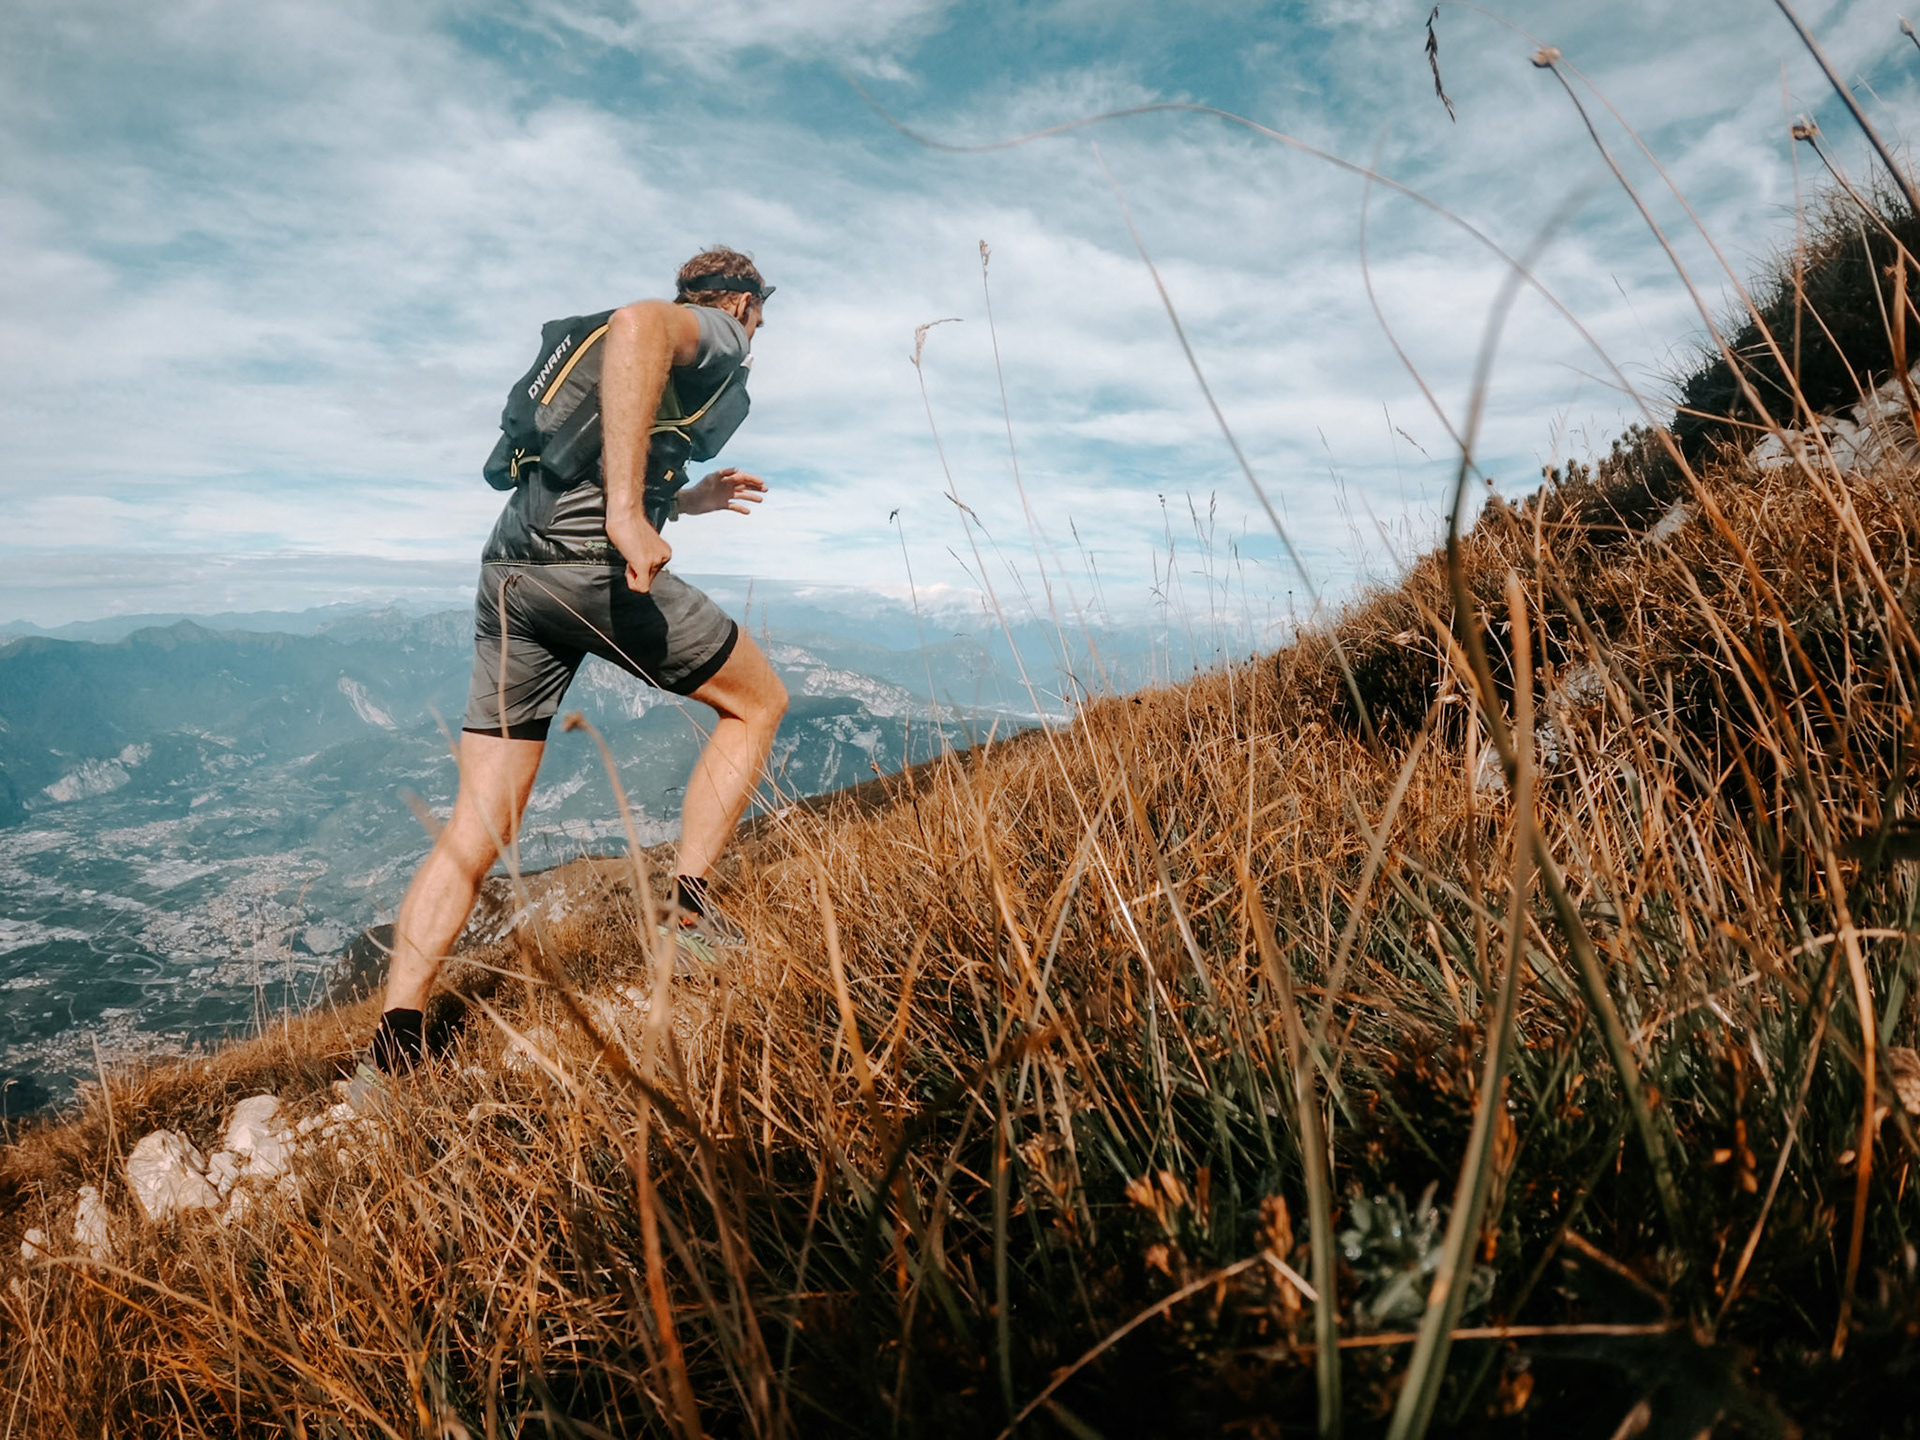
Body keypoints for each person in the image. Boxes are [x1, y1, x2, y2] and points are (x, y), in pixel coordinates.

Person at [367, 247, 789, 1074]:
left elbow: (588, 459)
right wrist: (631, 518)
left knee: (479, 821)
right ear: (740, 301)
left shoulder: (595, 367)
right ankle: (686, 926)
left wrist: (680, 500)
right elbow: (639, 324)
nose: (758, 333)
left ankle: (395, 1044)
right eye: (761, 317)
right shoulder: (718, 328)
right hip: (587, 571)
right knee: (759, 703)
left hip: (510, 576)